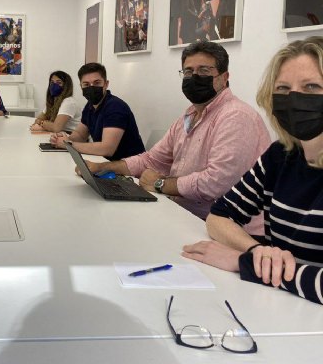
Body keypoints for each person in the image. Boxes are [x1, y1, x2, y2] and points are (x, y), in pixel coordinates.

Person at [182, 37, 323, 305]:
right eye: (282, 88)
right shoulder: (280, 156)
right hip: (280, 304)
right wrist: (258, 252)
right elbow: (220, 216)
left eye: (311, 87)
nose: (293, 98)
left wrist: (244, 262)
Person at [83, 41, 270, 225]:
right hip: (183, 214)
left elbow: (214, 183)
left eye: (204, 70)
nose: (194, 77)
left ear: (224, 77)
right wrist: (102, 168)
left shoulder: (236, 116)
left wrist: (160, 184)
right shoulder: (188, 116)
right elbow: (151, 160)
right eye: (188, 71)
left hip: (227, 228)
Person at [50, 62, 144, 159]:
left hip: (129, 168)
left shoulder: (115, 107)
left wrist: (68, 144)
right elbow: (80, 134)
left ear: (106, 84)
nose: (91, 87)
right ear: (81, 86)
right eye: (86, 84)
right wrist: (63, 139)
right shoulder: (90, 106)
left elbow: (107, 149)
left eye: (97, 83)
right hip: (105, 162)